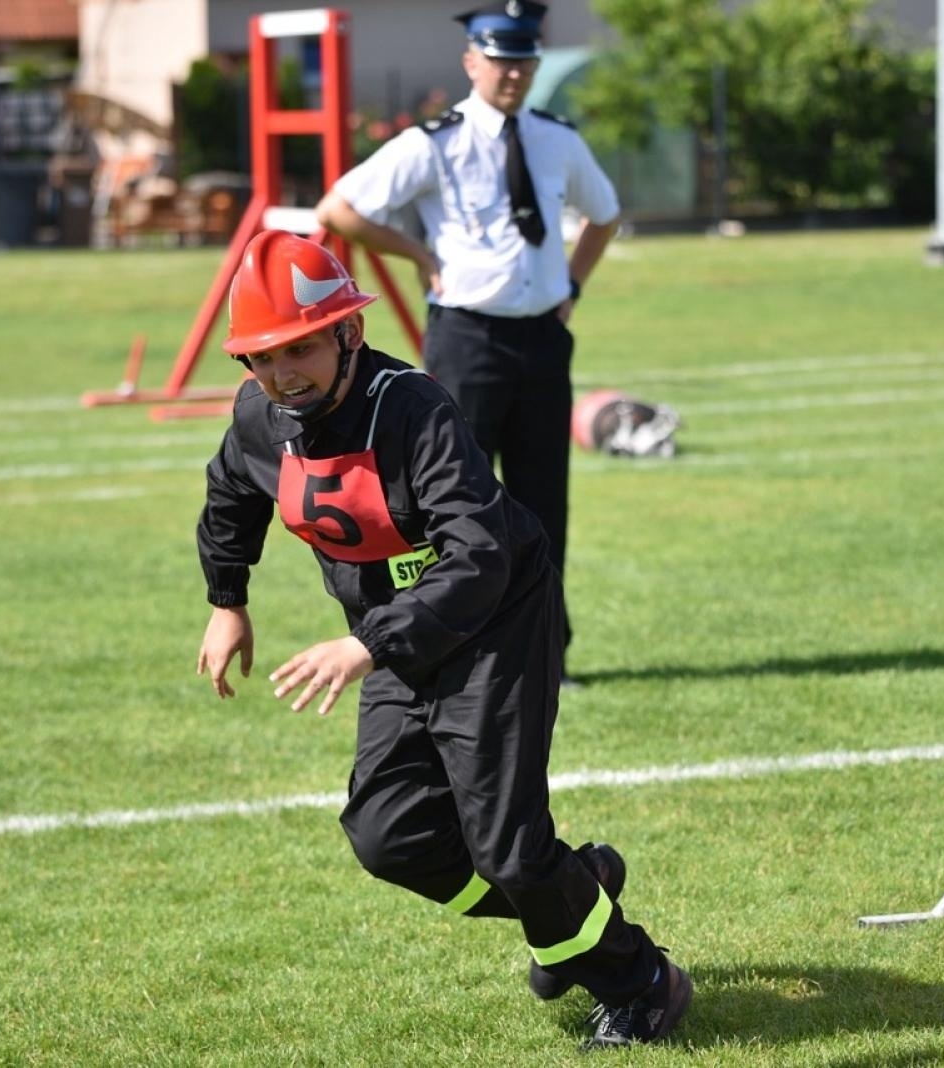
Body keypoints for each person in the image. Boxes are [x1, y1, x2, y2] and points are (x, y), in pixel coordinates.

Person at [193, 230, 691, 1049]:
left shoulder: (414, 409)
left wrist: (368, 646)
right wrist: (227, 601)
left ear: (348, 333)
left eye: (300, 349)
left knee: (506, 845)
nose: (282, 375)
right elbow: (230, 498)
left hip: (492, 621)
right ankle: (576, 888)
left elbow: (482, 555)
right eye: (261, 357)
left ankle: (641, 981)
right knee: (390, 835)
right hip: (395, 638)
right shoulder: (262, 415)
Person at [314, 1, 621, 681]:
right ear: (471, 62)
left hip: (542, 339)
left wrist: (572, 286)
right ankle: (453, 642)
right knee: (455, 504)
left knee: (544, 503)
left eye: (524, 59)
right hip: (467, 339)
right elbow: (339, 209)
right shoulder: (435, 141)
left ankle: (545, 651)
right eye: (500, 59)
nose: (513, 73)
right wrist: (420, 257)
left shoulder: (556, 138)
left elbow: (604, 214)